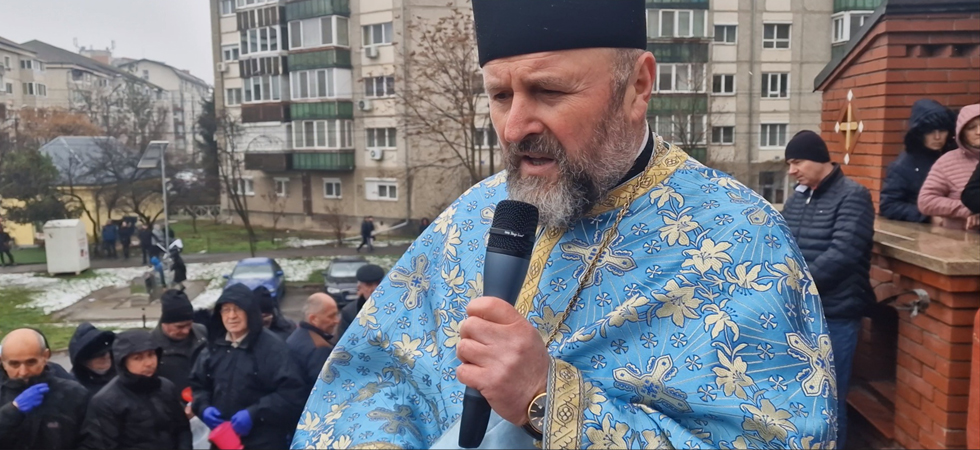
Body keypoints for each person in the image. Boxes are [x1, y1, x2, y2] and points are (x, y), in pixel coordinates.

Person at [292, 2, 836, 448]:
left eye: (548, 92)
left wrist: (545, 397)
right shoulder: (469, 216)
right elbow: (371, 381)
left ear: (637, 86)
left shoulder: (742, 239)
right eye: (500, 96)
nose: (513, 128)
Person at [781, 130, 875, 448]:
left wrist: (798, 287)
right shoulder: (798, 198)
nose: (792, 170)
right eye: (789, 164)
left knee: (830, 401)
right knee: (801, 398)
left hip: (835, 315)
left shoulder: (853, 196)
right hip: (798, 315)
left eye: (797, 162)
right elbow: (780, 244)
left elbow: (844, 253)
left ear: (819, 159)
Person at [189, 284, 307, 450]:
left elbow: (292, 393)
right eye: (226, 310)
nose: (232, 316)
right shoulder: (214, 347)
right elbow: (199, 385)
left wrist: (255, 414)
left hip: (264, 441)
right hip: (224, 441)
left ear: (250, 312)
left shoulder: (272, 348)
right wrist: (203, 407)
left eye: (238, 309)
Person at [80, 329, 192, 449]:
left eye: (151, 355)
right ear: (123, 362)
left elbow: (182, 429)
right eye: (138, 358)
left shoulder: (166, 387)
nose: (148, 363)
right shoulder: (106, 401)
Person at [0, 328, 89, 449]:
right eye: (14, 364)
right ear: (2, 361)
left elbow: (92, 440)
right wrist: (12, 411)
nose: (23, 372)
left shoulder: (74, 394)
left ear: (45, 356)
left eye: (31, 362)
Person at [879, 99, 956, 222]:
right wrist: (927, 216)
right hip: (922, 230)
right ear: (919, 133)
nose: (937, 137)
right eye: (930, 131)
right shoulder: (902, 166)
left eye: (942, 131)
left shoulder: (955, 157)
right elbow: (888, 205)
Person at [919, 104, 980, 231]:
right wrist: (968, 209)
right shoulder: (947, 162)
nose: (978, 132)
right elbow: (926, 201)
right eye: (971, 128)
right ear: (962, 133)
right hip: (956, 238)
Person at [151, 290, 208, 393]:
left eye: (189, 324)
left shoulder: (202, 333)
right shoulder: (151, 345)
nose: (186, 331)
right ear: (165, 323)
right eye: (179, 327)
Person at [285, 293, 339, 393]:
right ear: (313, 319)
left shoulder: (296, 336)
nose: (337, 321)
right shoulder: (320, 348)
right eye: (331, 316)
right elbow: (326, 389)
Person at [335, 264, 385, 339]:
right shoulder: (350, 312)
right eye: (369, 285)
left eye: (378, 283)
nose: (375, 288)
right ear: (360, 288)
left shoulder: (397, 306)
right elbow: (344, 341)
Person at [68, 322, 116, 393]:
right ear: (84, 362)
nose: (106, 357)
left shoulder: (123, 376)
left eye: (107, 352)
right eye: (99, 355)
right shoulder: (74, 388)